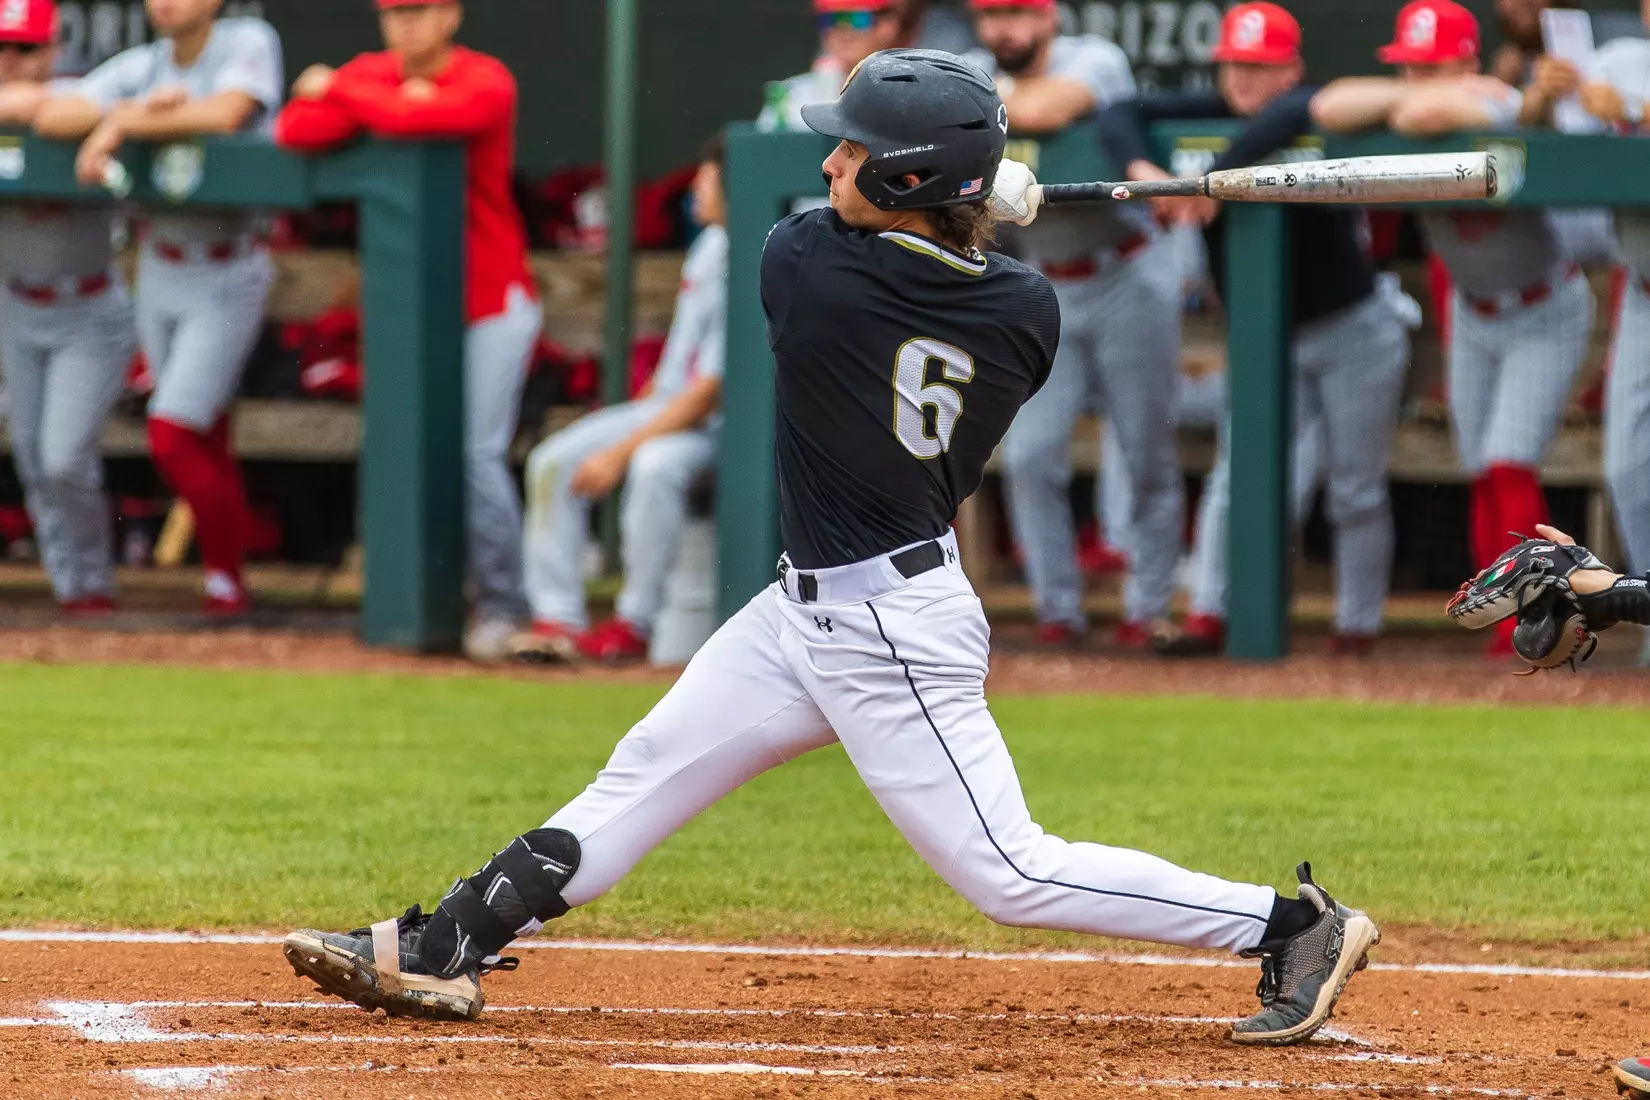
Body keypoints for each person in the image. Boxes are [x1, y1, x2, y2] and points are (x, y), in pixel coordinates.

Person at [283, 49, 1378, 1050]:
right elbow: (974, 278)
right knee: (642, 774)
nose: (833, 160)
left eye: (856, 149)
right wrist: (982, 212)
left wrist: (972, 203)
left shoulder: (805, 266)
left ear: (907, 180)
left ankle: (1291, 926)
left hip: (888, 629)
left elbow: (859, 242)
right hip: (804, 611)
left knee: (1008, 870)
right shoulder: (1025, 313)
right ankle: (445, 943)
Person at [1096, 2, 1416, 658]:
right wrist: (1147, 173)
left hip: (1354, 326)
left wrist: (1215, 179)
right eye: (1234, 63)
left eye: (1259, 65)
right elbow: (1116, 114)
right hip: (1266, 335)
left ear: (1290, 66)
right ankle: (1210, 613)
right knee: (1234, 475)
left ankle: (1358, 626)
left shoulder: (1306, 106)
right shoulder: (1208, 109)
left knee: (1354, 489)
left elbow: (1294, 112)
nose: (1242, 78)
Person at [1311, 0, 1595, 659]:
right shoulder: (1432, 93)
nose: (1415, 79)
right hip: (1474, 312)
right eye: (1407, 66)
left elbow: (1427, 114)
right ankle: (1501, 612)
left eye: (1430, 64)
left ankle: (1528, 621)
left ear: (1467, 61)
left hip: (1543, 305)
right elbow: (1330, 107)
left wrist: (1453, 91)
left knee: (1507, 459)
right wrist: (1418, 85)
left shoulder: (1495, 100)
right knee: (1479, 467)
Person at [273, 0, 543, 663]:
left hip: (493, 297)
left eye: (419, 11)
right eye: (395, 13)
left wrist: (337, 86)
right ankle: (429, 601)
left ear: (450, 15)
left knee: (476, 453)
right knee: (410, 449)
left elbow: (420, 116)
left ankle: (504, 608)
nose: (406, 25)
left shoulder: (487, 77)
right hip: (415, 307)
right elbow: (295, 128)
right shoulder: (378, 72)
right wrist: (370, 94)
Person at [33, 0, 281, 618]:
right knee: (205, 429)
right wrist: (137, 110)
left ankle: (229, 573)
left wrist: (124, 126)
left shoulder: (246, 39)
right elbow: (58, 116)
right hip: (162, 262)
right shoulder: (143, 66)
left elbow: (229, 112)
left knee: (172, 432)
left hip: (228, 260)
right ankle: (229, 577)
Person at [965, 0, 1186, 649]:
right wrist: (999, 90)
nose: (1004, 29)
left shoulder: (1096, 57)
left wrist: (989, 100)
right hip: (1045, 282)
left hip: (1127, 272)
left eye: (1017, 13)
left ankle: (1147, 608)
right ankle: (1057, 609)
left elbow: (1047, 109)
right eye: (990, 16)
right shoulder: (978, 66)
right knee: (1030, 454)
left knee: (1144, 452)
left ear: (1048, 17)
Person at [509, 136, 729, 664]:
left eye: (707, 178)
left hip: (723, 426)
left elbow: (710, 392)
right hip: (670, 406)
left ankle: (635, 623)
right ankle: (557, 620)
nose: (696, 187)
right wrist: (630, 418)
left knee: (653, 466)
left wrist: (620, 450)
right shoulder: (711, 244)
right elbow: (681, 365)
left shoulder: (757, 253)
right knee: (552, 461)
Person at [0, 0, 136, 617]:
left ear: (51, 49)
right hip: (16, 304)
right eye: (0, 49)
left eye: (25, 49)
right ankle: (69, 588)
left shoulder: (86, 97)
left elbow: (58, 108)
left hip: (88, 305)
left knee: (63, 456)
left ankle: (92, 583)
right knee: (31, 454)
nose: (10, 62)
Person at [1569, 0, 1650, 664]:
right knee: (1628, 468)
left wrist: (1632, 116)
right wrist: (1551, 97)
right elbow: (1535, 140)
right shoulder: (1621, 62)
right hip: (1643, 292)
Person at [757, 0, 903, 134]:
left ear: (887, 26)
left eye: (857, 19)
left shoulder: (906, 89)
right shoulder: (788, 95)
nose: (843, 30)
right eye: (831, 19)